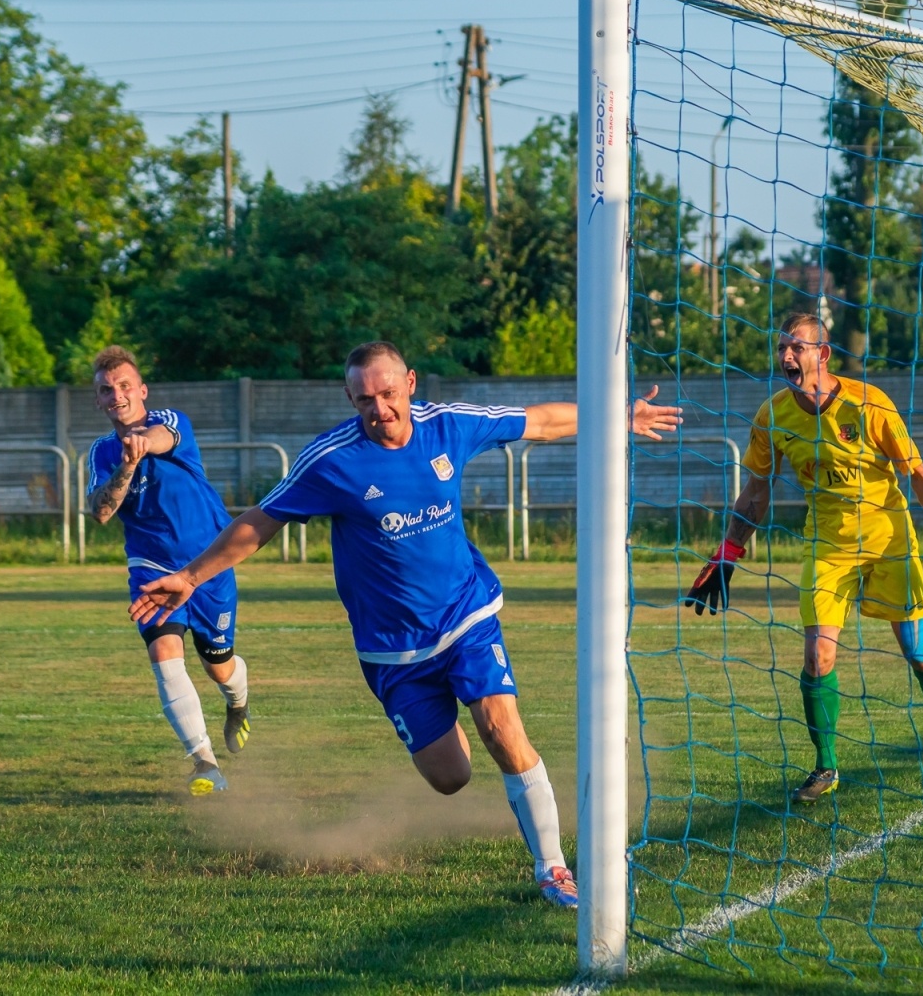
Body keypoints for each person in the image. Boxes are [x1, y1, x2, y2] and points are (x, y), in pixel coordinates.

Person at [131, 341, 682, 908]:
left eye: (388, 393)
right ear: (350, 397)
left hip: (465, 616)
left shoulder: (449, 426)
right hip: (392, 650)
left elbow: (538, 422)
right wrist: (192, 577)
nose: (380, 408)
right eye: (365, 398)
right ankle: (454, 720)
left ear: (411, 384)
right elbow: (260, 523)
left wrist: (622, 416)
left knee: (501, 729)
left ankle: (552, 869)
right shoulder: (331, 460)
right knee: (450, 777)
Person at [685, 311, 923, 805]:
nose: (786, 356)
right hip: (827, 546)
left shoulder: (870, 405)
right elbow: (756, 492)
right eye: (782, 347)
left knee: (917, 650)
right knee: (817, 655)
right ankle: (826, 767)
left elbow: (919, 476)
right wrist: (728, 552)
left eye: (796, 347)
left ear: (822, 354)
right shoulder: (773, 415)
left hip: (889, 539)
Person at [87, 346, 249, 796]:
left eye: (123, 386)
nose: (116, 395)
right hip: (151, 566)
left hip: (208, 560)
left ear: (142, 390)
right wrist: (126, 465)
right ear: (98, 402)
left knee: (219, 665)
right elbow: (100, 512)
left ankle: (237, 704)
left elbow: (162, 439)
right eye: (105, 390)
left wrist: (143, 443)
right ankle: (205, 764)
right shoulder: (102, 453)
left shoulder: (170, 421)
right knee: (164, 654)